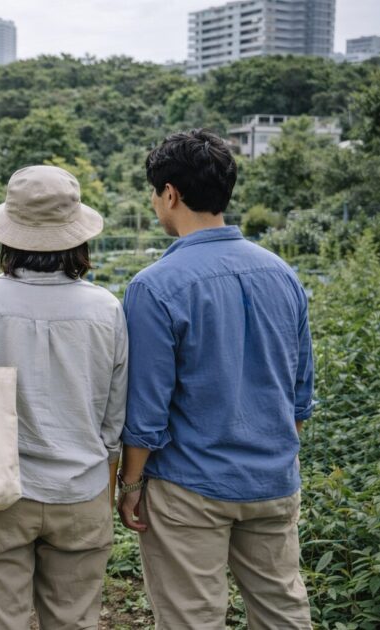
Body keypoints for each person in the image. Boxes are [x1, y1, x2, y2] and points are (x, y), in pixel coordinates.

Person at [117, 129, 313, 629]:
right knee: (283, 612)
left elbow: (147, 409)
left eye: (154, 193)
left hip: (190, 485)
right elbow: (299, 392)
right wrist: (276, 455)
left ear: (170, 194)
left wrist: (131, 482)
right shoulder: (282, 273)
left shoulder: (155, 287)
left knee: (192, 619)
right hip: (271, 478)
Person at [0, 165, 127, 629]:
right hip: (81, 492)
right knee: (75, 621)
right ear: (78, 237)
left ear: (8, 237)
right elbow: (115, 422)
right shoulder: (107, 309)